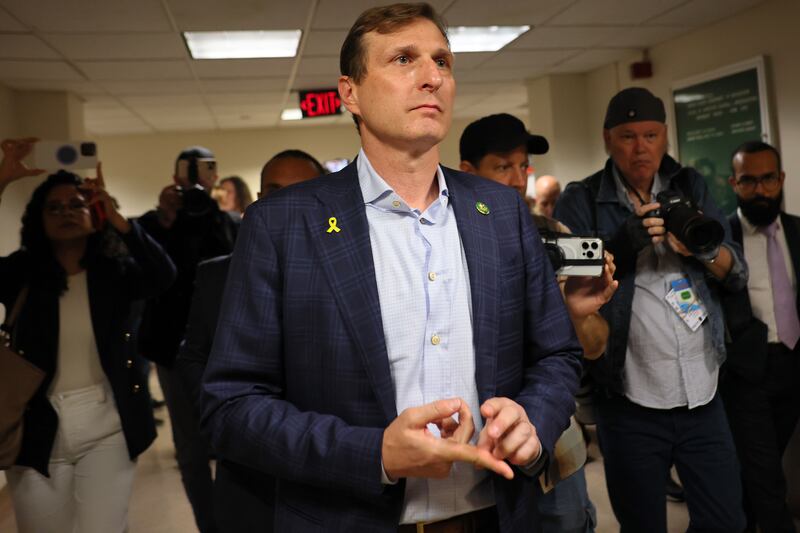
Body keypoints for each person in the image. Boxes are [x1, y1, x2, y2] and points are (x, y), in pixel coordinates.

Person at [201, 3, 582, 532]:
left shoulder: (499, 213)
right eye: (404, 59)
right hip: (346, 518)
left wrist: (533, 418)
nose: (432, 77)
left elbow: (557, 354)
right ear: (349, 92)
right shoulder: (283, 224)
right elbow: (231, 406)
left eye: (442, 62)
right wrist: (374, 453)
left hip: (495, 517)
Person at [554, 87, 748, 532]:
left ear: (664, 137)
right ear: (607, 139)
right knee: (642, 524)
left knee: (726, 521)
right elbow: (569, 290)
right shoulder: (581, 198)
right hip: (630, 399)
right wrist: (621, 245)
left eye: (650, 135)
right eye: (627, 136)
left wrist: (699, 248)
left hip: (703, 394)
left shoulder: (690, 184)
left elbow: (735, 272)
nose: (640, 147)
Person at [0, 138, 176, 533]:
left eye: (77, 205)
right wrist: (3, 178)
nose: (66, 212)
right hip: (36, 425)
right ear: (38, 220)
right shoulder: (21, 274)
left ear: (92, 213)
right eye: (55, 207)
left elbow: (163, 275)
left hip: (107, 422)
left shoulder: (115, 273)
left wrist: (117, 218)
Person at [459, 112, 618, 533]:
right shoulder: (447, 241)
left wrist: (572, 311)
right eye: (503, 166)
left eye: (523, 165)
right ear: (468, 172)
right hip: (474, 440)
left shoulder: (552, 234)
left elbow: (596, 344)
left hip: (553, 445)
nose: (517, 179)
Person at [176, 149, 324, 533]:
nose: (286, 203)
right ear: (256, 202)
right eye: (274, 192)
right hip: (248, 469)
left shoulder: (358, 275)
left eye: (302, 191)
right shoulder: (217, 276)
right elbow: (193, 357)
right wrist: (227, 408)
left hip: (331, 465)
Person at [137, 145, 238, 533]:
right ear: (176, 174)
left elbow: (232, 263)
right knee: (192, 452)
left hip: (226, 350)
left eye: (208, 168)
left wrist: (208, 212)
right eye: (194, 169)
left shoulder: (225, 220)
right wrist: (165, 220)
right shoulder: (155, 222)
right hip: (171, 349)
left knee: (236, 442)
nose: (201, 176)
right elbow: (148, 270)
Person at [721, 140, 800, 533]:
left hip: (794, 362)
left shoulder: (798, 230)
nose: (761, 189)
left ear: (781, 178)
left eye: (768, 178)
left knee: (759, 471)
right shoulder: (720, 237)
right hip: (747, 371)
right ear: (734, 183)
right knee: (766, 474)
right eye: (749, 181)